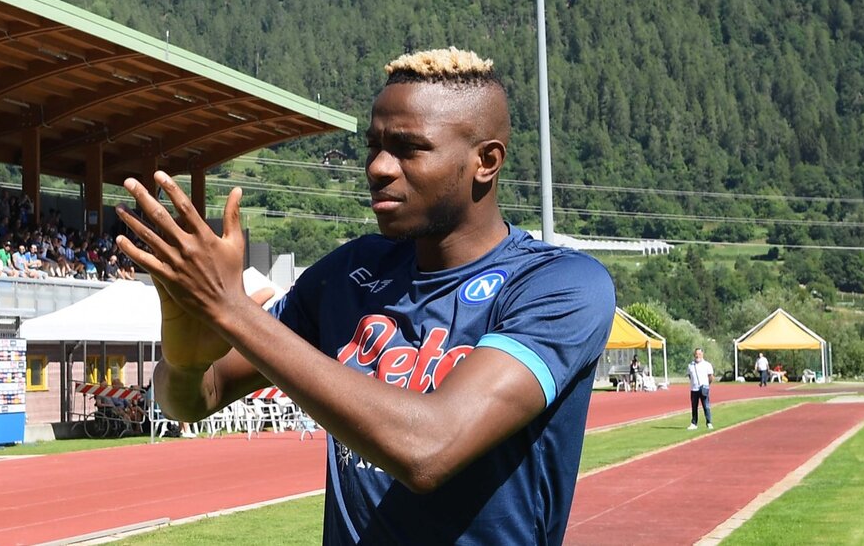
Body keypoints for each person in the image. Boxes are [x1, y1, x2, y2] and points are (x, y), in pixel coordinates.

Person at [115, 48, 616, 544]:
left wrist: (231, 310)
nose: (378, 167)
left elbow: (429, 448)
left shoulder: (559, 286)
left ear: (486, 161)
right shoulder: (348, 274)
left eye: (408, 148)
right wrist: (183, 363)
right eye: (374, 146)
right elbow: (195, 401)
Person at [687, 348, 716, 430]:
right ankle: (694, 423)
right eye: (696, 354)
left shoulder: (707, 364)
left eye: (699, 354)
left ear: (702, 354)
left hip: (704, 388)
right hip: (694, 389)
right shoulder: (690, 365)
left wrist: (707, 385)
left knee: (706, 406)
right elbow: (690, 376)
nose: (697, 356)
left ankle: (709, 422)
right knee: (694, 406)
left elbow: (710, 376)